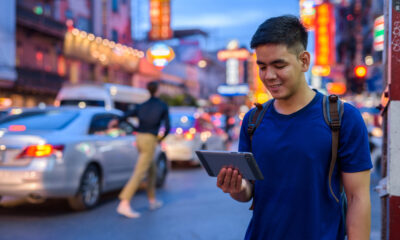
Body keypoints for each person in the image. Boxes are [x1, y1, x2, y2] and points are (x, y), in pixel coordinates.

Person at [216, 15, 372, 240]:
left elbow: (358, 197)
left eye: (279, 65)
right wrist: (236, 187)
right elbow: (248, 192)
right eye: (262, 67)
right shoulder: (253, 120)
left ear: (304, 61)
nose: (269, 76)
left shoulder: (343, 118)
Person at [116, 81, 170, 218]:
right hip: (150, 139)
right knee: (140, 171)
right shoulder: (162, 106)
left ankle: (152, 200)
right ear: (158, 90)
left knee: (151, 169)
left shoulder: (142, 105)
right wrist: (159, 139)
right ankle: (124, 202)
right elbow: (168, 127)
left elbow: (125, 115)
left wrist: (129, 126)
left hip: (139, 138)